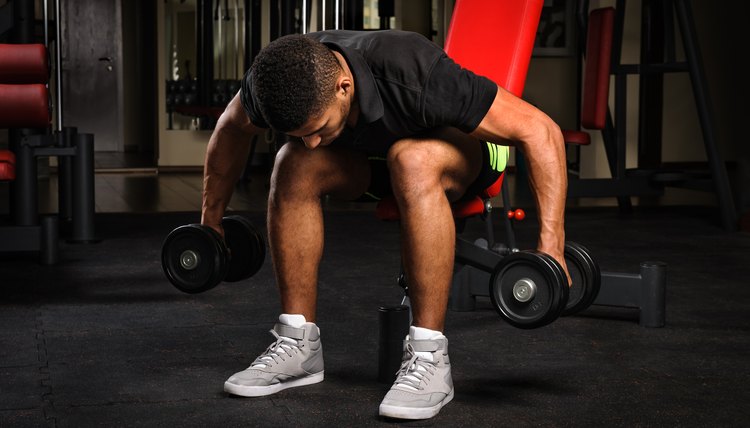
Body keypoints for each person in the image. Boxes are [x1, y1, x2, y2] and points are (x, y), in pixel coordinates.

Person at [201, 29, 568, 420]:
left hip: (461, 154)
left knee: (411, 159)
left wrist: (552, 246)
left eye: (318, 128)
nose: (312, 141)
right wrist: (210, 223)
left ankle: (430, 357)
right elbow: (230, 128)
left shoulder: (412, 71)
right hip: (374, 160)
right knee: (294, 162)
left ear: (344, 87)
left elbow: (540, 130)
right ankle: (299, 345)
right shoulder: (277, 78)